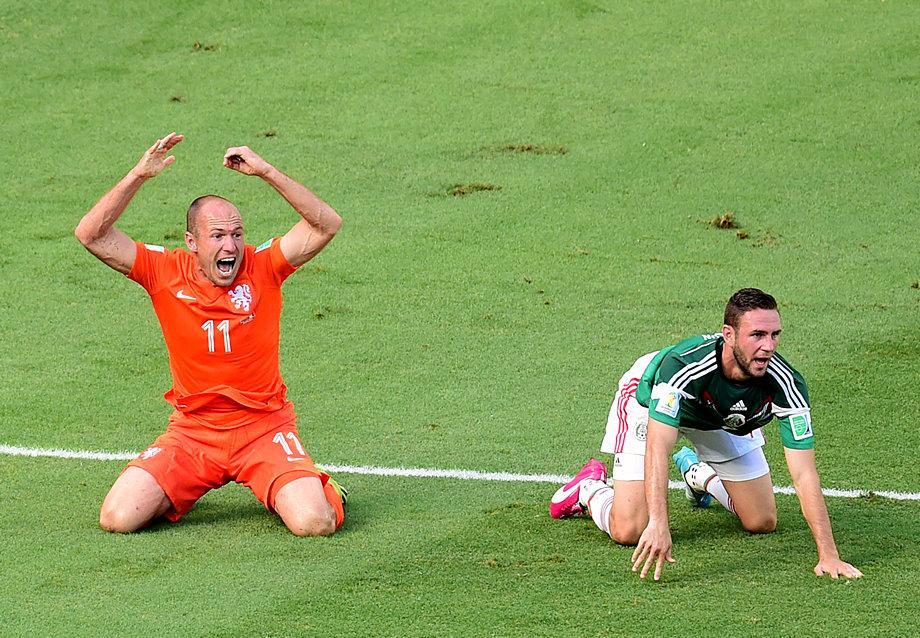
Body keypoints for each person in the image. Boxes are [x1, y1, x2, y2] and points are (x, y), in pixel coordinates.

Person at [75, 132, 347, 536]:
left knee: (314, 522)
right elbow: (91, 235)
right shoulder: (163, 271)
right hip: (192, 434)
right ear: (192, 242)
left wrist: (267, 172)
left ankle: (326, 488)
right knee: (117, 518)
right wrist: (138, 175)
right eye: (218, 236)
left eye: (237, 234)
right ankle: (183, 486)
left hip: (264, 428)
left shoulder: (263, 266)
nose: (231, 246)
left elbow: (326, 224)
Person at [549, 288, 862, 581]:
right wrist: (659, 523)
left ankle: (698, 475)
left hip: (720, 415)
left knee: (761, 520)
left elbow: (804, 473)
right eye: (757, 335)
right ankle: (589, 488)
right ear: (729, 335)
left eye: (774, 334)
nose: (768, 346)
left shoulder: (785, 382)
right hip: (652, 403)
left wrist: (829, 555)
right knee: (629, 530)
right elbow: (658, 448)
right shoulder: (683, 368)